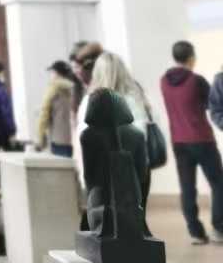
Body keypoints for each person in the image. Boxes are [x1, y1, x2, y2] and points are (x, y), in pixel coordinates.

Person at [160, 41, 223, 245]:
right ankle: (219, 228)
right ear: (191, 57)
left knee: (187, 187)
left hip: (179, 142)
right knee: (218, 183)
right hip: (202, 140)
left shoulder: (164, 81)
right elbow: (212, 104)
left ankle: (196, 233)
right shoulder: (197, 81)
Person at [75, 51, 152, 204]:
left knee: (103, 214)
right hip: (130, 170)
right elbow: (141, 135)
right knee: (133, 213)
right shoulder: (133, 99)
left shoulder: (88, 102)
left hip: (98, 171)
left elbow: (82, 138)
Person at [35, 60, 77, 157]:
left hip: (59, 140)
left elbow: (44, 113)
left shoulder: (54, 88)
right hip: (76, 139)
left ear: (56, 73)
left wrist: (40, 138)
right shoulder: (76, 88)